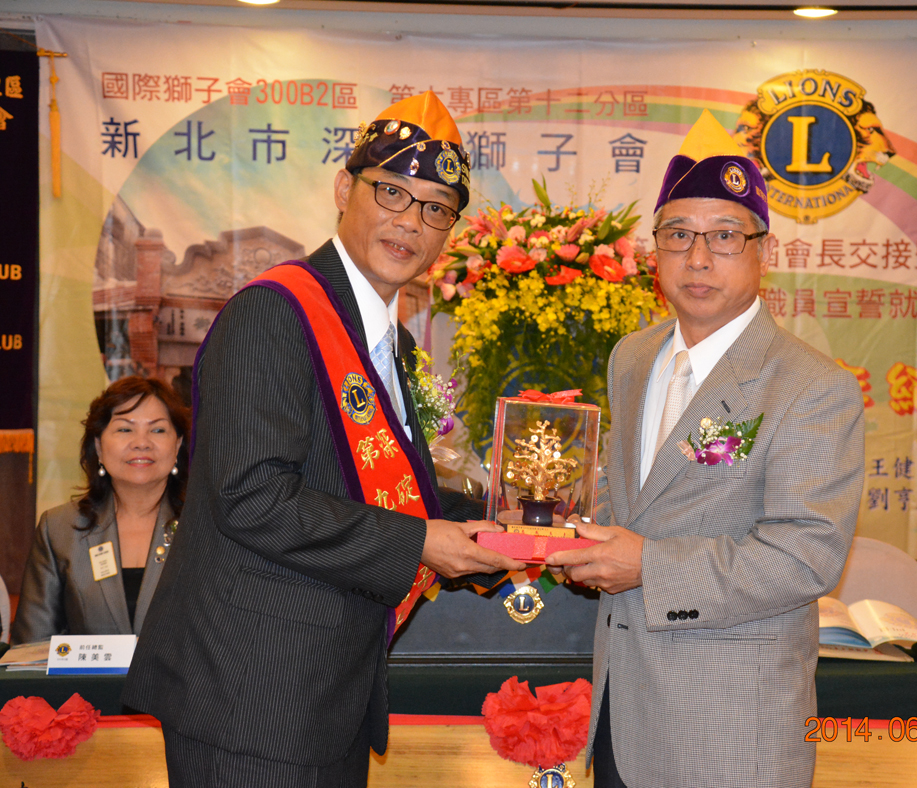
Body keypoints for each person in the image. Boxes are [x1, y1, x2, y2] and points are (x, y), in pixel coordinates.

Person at [122, 92, 523, 787]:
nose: (410, 222)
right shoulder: (274, 313)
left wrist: (503, 527)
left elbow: (375, 489)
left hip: (323, 695)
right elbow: (253, 496)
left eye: (436, 208)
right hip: (250, 700)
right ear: (344, 189)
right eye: (391, 192)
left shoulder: (387, 340)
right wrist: (421, 544)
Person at [547, 111, 865, 788]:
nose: (697, 259)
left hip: (729, 727)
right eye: (678, 235)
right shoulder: (633, 357)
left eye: (723, 236)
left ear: (763, 252)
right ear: (653, 250)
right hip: (621, 708)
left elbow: (805, 556)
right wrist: (561, 528)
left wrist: (647, 566)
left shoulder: (810, 386)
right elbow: (631, 499)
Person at [11, 376, 188, 644]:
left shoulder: (206, 526)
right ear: (99, 447)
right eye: (125, 429)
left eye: (158, 430)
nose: (141, 442)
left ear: (177, 445)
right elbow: (31, 648)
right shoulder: (60, 529)